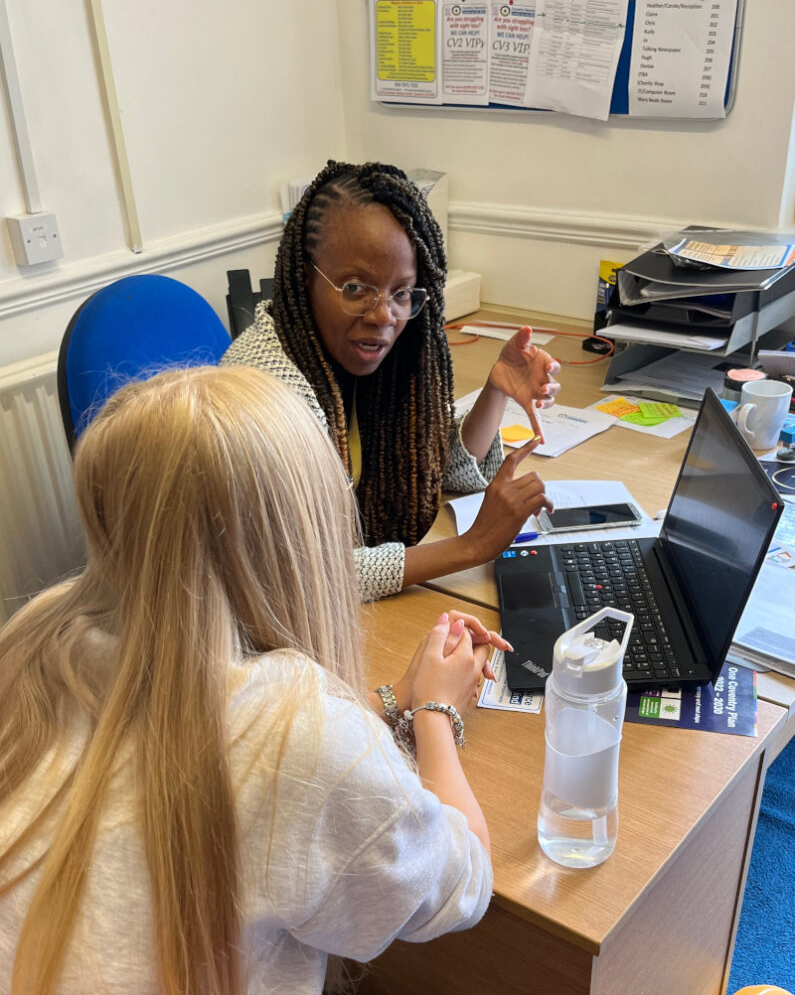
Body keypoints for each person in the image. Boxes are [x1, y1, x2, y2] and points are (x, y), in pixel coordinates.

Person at [0, 365, 501, 995]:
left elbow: (219, 733)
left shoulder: (34, 635)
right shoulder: (301, 733)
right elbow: (463, 884)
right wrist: (434, 711)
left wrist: (387, 701)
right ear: (304, 540)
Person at [222, 160, 561, 600]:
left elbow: (435, 469)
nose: (385, 315)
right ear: (305, 277)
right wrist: (473, 545)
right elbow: (308, 576)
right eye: (355, 288)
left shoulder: (357, 352)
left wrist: (496, 389)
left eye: (402, 292)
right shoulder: (266, 396)